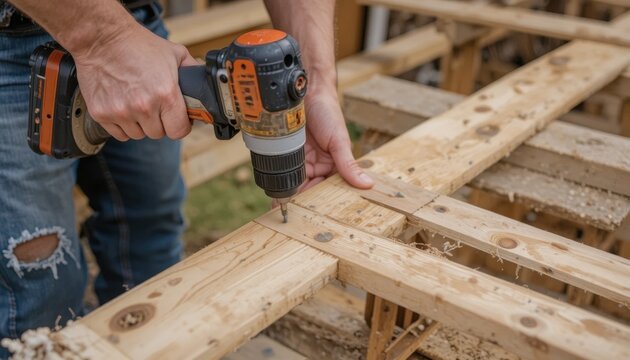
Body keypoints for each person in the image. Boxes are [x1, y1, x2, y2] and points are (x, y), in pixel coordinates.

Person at [0, 0, 374, 353]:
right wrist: (103, 42)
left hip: (139, 29)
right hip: (13, 38)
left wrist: (317, 85)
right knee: (41, 282)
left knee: (154, 228)